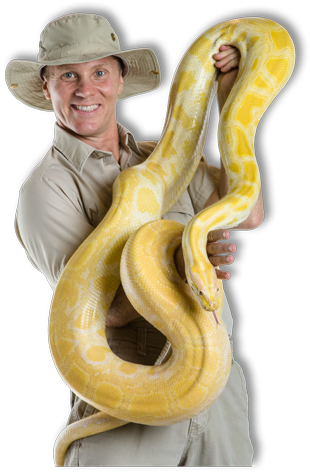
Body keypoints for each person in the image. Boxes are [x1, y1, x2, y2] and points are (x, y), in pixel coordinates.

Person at [7, 13, 263, 467]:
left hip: (218, 394)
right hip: (129, 406)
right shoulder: (46, 188)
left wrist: (231, 101)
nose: (86, 90)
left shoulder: (165, 157)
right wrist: (180, 259)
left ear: (120, 79)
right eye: (68, 75)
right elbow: (100, 311)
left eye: (99, 72)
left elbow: (248, 211)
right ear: (46, 89)